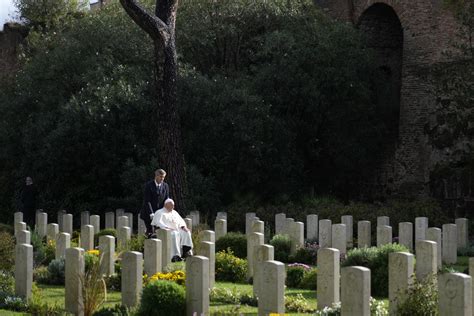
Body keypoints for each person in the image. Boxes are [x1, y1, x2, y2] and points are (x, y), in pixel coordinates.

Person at [140, 169, 170, 237]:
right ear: (156, 176)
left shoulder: (165, 186)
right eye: (161, 177)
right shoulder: (149, 186)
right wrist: (151, 213)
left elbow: (167, 199)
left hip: (160, 214)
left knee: (159, 232)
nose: (162, 179)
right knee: (150, 232)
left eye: (163, 177)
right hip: (148, 213)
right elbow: (147, 201)